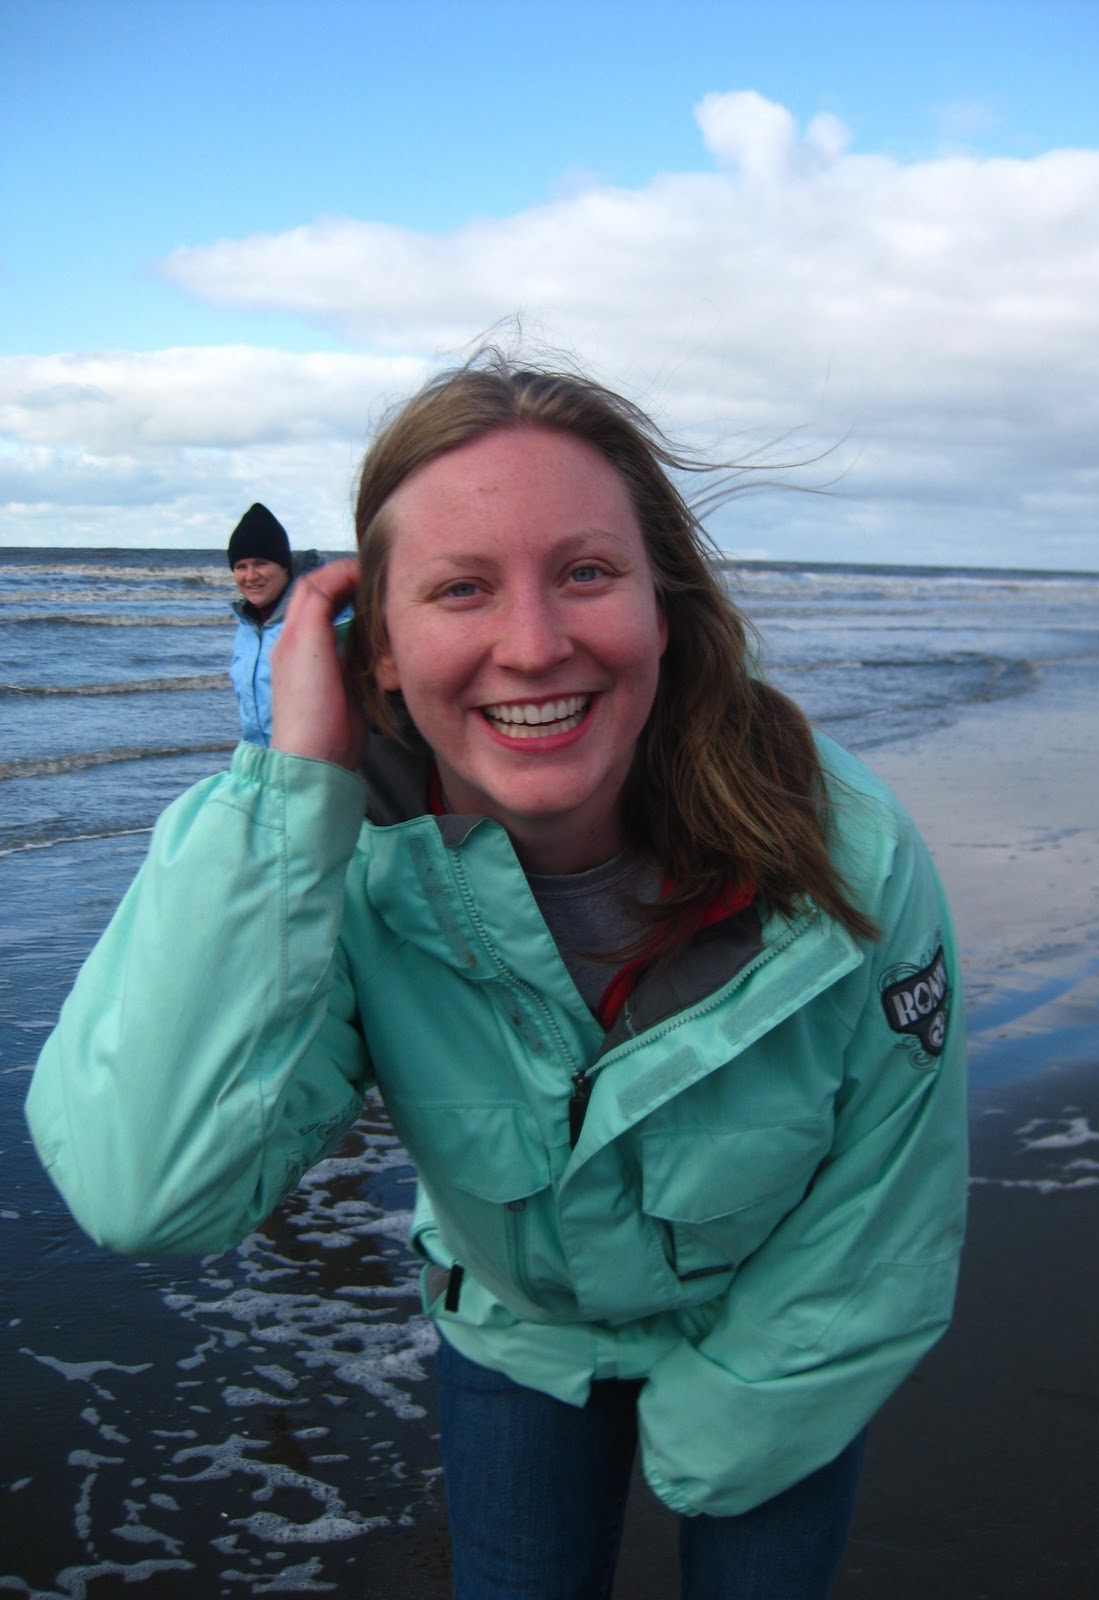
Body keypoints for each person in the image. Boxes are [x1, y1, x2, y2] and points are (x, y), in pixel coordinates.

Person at [27, 353, 967, 1600]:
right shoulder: (346, 874)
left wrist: (725, 1425)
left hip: (783, 1345)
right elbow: (148, 1186)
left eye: (585, 572)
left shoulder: (844, 847)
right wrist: (287, 796)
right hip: (518, 1339)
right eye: (459, 588)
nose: (533, 645)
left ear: (663, 604)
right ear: (380, 652)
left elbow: (885, 1205)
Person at [227, 501, 322, 746]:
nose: (250, 576)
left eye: (261, 563)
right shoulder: (248, 625)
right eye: (241, 567)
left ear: (284, 567)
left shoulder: (320, 617)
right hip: (262, 766)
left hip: (309, 767)